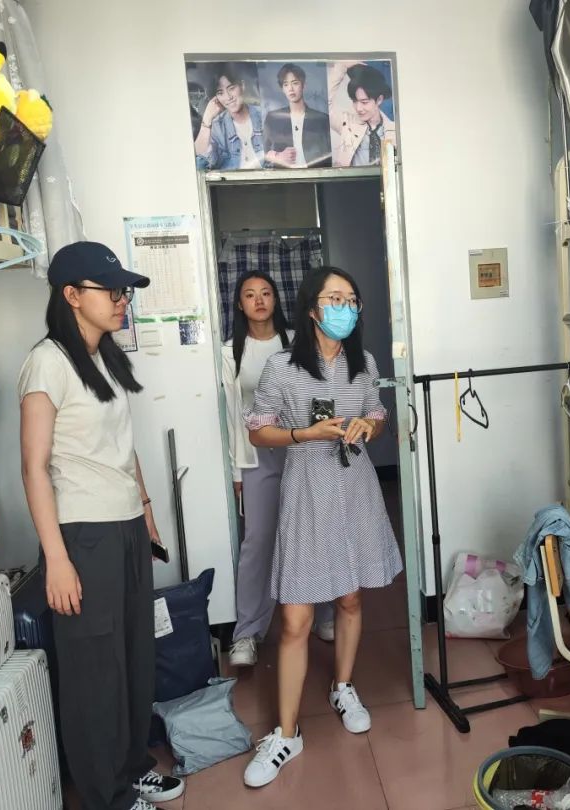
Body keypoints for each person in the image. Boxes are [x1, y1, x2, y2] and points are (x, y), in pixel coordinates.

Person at [18, 241, 185, 810]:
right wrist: (56, 560)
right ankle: (107, 797)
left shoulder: (104, 358)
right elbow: (34, 467)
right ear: (71, 295)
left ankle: (132, 768)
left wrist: (147, 512)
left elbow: (122, 446)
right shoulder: (47, 362)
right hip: (82, 535)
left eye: (124, 292)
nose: (121, 301)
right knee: (94, 672)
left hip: (125, 527)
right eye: (111, 291)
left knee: (133, 659)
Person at [241, 266, 403, 788]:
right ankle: (286, 734)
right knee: (295, 619)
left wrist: (369, 425)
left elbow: (379, 415)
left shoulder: (364, 363)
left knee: (351, 599)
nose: (345, 308)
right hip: (306, 488)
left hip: (354, 485)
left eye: (352, 299)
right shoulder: (282, 367)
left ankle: (343, 686)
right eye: (335, 299)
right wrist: (303, 434)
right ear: (312, 308)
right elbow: (259, 431)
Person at [221, 271, 335, 668]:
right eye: (249, 295)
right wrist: (237, 472)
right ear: (239, 304)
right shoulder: (229, 352)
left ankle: (323, 615)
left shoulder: (298, 342)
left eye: (265, 293)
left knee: (314, 534)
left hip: (303, 449)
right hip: (258, 455)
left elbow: (320, 392)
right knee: (258, 541)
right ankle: (247, 632)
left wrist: (325, 442)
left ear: (276, 299)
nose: (259, 300)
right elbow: (234, 416)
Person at [194, 63, 265, 171]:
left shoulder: (263, 115)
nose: (228, 97)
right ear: (216, 98)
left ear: (242, 86)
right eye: (220, 93)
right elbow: (200, 159)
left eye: (231, 88)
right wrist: (207, 119)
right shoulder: (217, 126)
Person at [262, 63, 331, 168]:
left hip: (314, 175)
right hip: (284, 176)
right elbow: (263, 156)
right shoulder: (273, 118)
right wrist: (278, 156)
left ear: (303, 85)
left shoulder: (321, 119)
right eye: (286, 84)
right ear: (282, 88)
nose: (290, 88)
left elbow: (329, 158)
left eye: (295, 83)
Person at [329, 62, 397, 167]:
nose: (358, 108)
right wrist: (341, 66)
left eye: (364, 102)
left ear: (379, 100)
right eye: (355, 101)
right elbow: (324, 104)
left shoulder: (394, 130)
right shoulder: (347, 123)